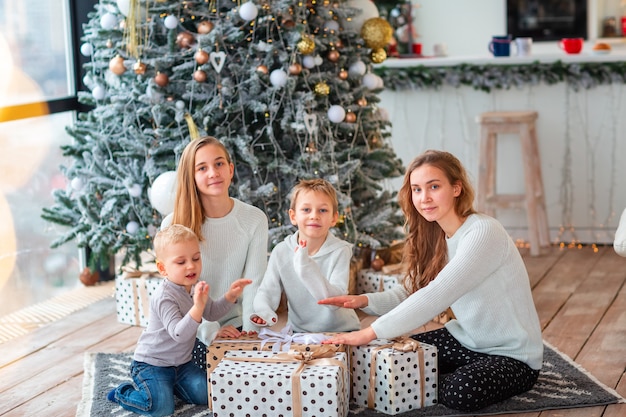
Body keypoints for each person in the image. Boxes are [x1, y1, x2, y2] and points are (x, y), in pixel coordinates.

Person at [319, 150, 544, 412]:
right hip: (465, 340)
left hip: (513, 356)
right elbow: (411, 291)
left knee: (462, 392)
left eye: (434, 187)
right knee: (390, 357)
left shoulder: (483, 231)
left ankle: (418, 384)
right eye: (416, 189)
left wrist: (369, 331)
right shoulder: (436, 235)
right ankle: (415, 382)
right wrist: (363, 300)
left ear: (456, 188)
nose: (424, 198)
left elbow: (438, 292)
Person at [108, 224, 251, 417]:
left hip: (182, 364)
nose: (191, 266)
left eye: (196, 258)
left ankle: (170, 388)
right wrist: (197, 307)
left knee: (208, 395)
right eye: (181, 262)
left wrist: (230, 296)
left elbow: (212, 313)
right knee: (160, 409)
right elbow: (179, 334)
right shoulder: (164, 297)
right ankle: (123, 393)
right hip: (152, 364)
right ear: (162, 268)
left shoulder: (193, 287)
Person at [161, 135, 269, 369]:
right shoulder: (174, 224)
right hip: (191, 328)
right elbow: (179, 292)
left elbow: (254, 284)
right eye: (202, 168)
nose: (213, 172)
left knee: (248, 374)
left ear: (230, 169)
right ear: (192, 177)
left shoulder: (254, 219)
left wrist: (251, 337)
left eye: (219, 164)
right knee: (205, 388)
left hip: (236, 324)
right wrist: (211, 332)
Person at [250, 178, 360, 333]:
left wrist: (306, 267)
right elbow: (267, 291)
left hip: (342, 331)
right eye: (306, 210)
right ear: (293, 216)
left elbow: (335, 301)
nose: (314, 216)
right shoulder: (281, 251)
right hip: (299, 333)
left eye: (322, 210)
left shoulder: (340, 251)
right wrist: (264, 312)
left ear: (334, 218)